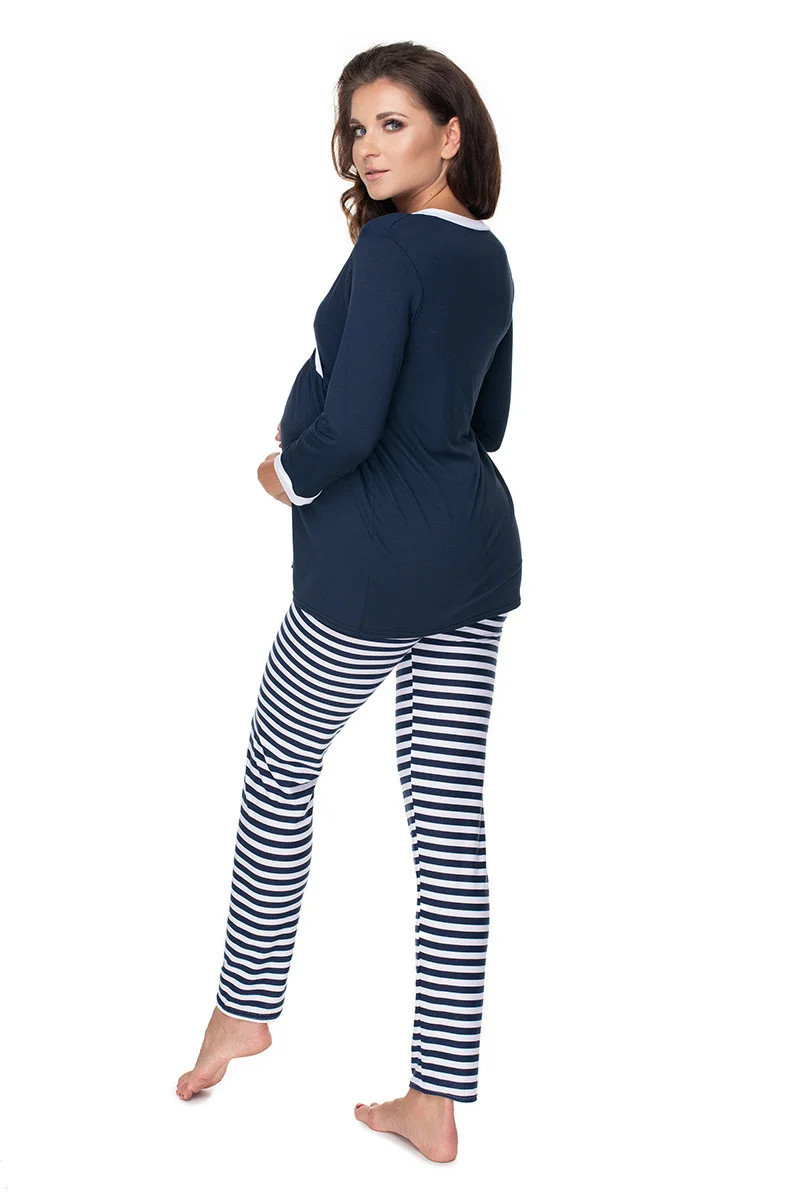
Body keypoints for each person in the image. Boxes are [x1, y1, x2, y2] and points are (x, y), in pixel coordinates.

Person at [176, 41, 522, 1164]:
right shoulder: (487, 255)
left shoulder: (389, 252)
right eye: (358, 128)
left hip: (373, 568)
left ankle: (244, 1007)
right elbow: (488, 422)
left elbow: (354, 425)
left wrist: (288, 473)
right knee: (448, 820)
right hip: (473, 556)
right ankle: (435, 1097)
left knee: (280, 764)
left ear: (449, 134)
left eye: (392, 124)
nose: (368, 148)